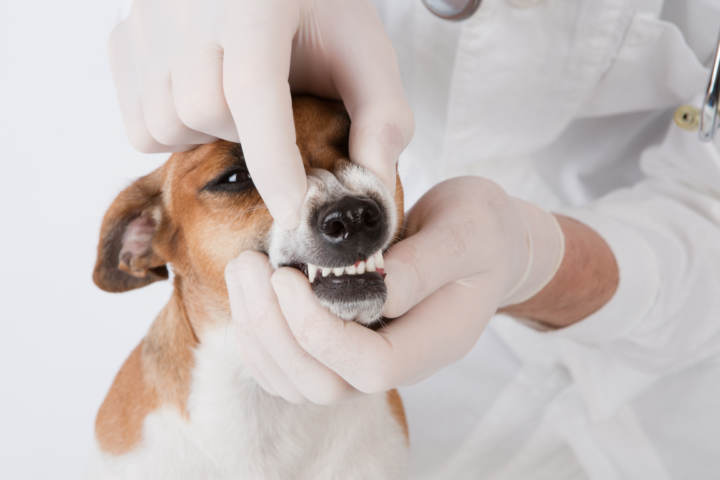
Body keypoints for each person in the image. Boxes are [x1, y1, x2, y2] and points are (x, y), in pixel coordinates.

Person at [109, 0, 720, 477]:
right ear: (145, 245)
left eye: (347, 145)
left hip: (682, 392)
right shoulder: (128, 451)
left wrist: (541, 261)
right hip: (448, 409)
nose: (339, 206)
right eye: (237, 179)